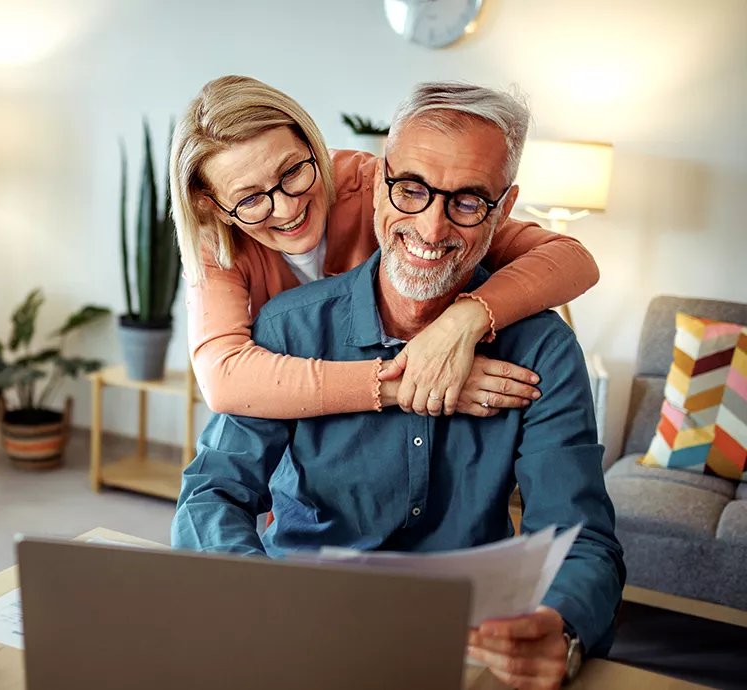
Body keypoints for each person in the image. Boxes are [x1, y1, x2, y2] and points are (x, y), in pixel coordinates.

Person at [172, 81, 625, 690]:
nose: (432, 229)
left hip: (467, 641)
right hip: (302, 623)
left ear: (504, 207)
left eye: (468, 202)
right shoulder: (281, 321)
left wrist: (563, 626)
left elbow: (580, 537)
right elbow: (211, 494)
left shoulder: (543, 349)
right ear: (383, 182)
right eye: (412, 189)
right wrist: (260, 595)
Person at [170, 75, 600, 420]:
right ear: (217, 207)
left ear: (313, 146)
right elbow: (224, 379)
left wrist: (464, 320)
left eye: (294, 171)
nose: (287, 207)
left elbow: (572, 259)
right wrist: (407, 383)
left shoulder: (390, 191)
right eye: (249, 199)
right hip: (297, 436)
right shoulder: (217, 242)